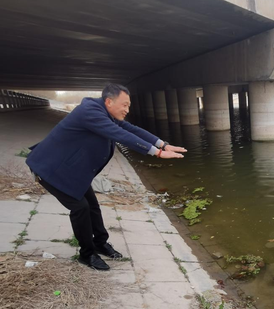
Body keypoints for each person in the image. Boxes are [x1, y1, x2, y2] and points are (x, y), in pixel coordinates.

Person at [26, 83, 186, 271]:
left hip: (73, 171)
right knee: (81, 208)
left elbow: (130, 129)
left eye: (129, 105)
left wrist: (163, 144)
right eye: (124, 105)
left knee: (92, 205)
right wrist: (156, 153)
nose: (127, 109)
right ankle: (86, 254)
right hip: (51, 169)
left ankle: (100, 243)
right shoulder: (90, 112)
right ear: (109, 101)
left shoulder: (104, 112)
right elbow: (119, 134)